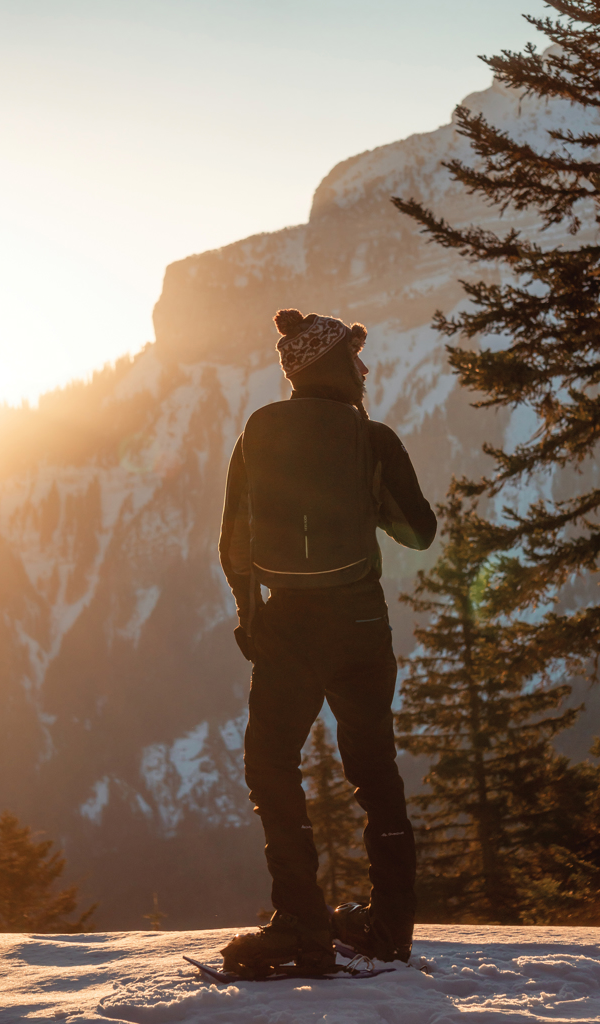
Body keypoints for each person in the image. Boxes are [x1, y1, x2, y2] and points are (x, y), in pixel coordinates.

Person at [218, 309, 436, 978]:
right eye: (354, 360)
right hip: (360, 626)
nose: (364, 370)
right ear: (333, 368)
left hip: (286, 626)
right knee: (374, 772)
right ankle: (389, 927)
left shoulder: (257, 431)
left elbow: (234, 544)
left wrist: (249, 618)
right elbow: (417, 533)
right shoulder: (371, 437)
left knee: (270, 765)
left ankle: (300, 925)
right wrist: (367, 497)